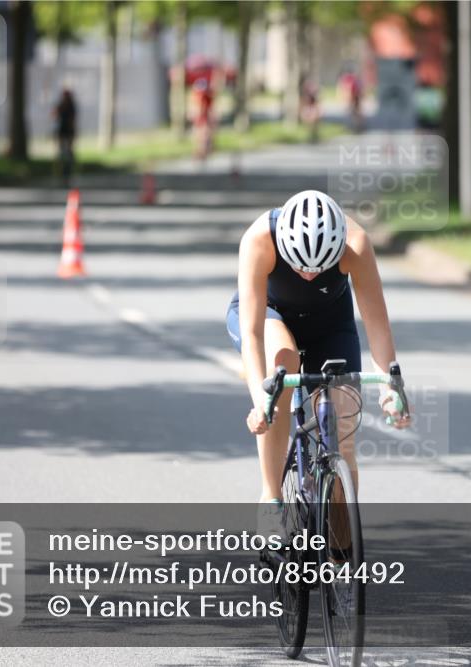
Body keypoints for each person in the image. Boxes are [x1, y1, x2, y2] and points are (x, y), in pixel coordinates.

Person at [226, 190, 411, 521]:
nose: (309, 275)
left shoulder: (356, 243)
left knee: (344, 423)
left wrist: (390, 390)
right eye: (299, 266)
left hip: (329, 323)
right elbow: (252, 334)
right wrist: (260, 402)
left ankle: (342, 548)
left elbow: (377, 326)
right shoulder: (259, 238)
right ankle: (271, 500)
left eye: (319, 267)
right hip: (269, 315)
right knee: (284, 362)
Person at [52, 88, 77, 186]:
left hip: (68, 132)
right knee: (61, 153)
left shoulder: (72, 106)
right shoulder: (61, 105)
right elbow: (54, 116)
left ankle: (67, 172)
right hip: (62, 132)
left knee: (68, 153)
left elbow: (73, 120)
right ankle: (61, 172)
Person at [193, 78, 215, 161]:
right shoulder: (199, 95)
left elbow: (208, 107)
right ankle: (202, 150)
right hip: (201, 117)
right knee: (202, 134)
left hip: (204, 117)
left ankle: (205, 149)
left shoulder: (206, 95)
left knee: (204, 134)